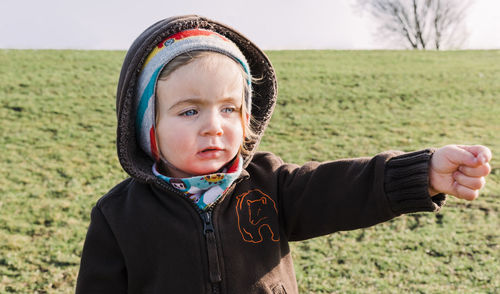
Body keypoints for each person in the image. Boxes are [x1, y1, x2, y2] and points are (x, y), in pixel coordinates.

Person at [75, 15, 492, 293]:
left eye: (228, 108)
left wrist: (423, 173)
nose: (214, 126)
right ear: (148, 126)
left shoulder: (270, 184)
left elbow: (345, 188)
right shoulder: (118, 217)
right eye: (189, 110)